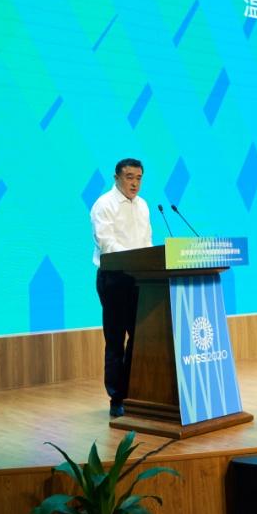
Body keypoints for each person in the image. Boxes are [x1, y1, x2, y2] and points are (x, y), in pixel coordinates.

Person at [90, 158, 153, 418]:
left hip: (141, 279)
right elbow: (107, 243)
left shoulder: (143, 205)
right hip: (114, 279)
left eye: (139, 178)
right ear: (116, 178)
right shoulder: (103, 204)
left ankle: (135, 393)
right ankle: (116, 398)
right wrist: (135, 260)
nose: (134, 183)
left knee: (141, 338)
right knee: (116, 340)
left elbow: (147, 242)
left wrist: (150, 263)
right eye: (129, 177)